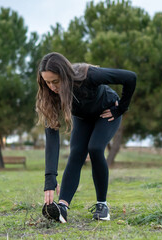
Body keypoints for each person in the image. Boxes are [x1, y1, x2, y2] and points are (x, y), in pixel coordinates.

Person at [36, 52, 136, 223]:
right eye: (47, 82)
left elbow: (130, 77)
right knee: (76, 153)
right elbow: (51, 139)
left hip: (107, 111)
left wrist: (121, 109)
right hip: (83, 118)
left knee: (95, 148)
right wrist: (50, 180)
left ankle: (102, 205)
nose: (51, 86)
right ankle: (62, 207)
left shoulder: (87, 75)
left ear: (65, 76)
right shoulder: (49, 95)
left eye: (55, 81)